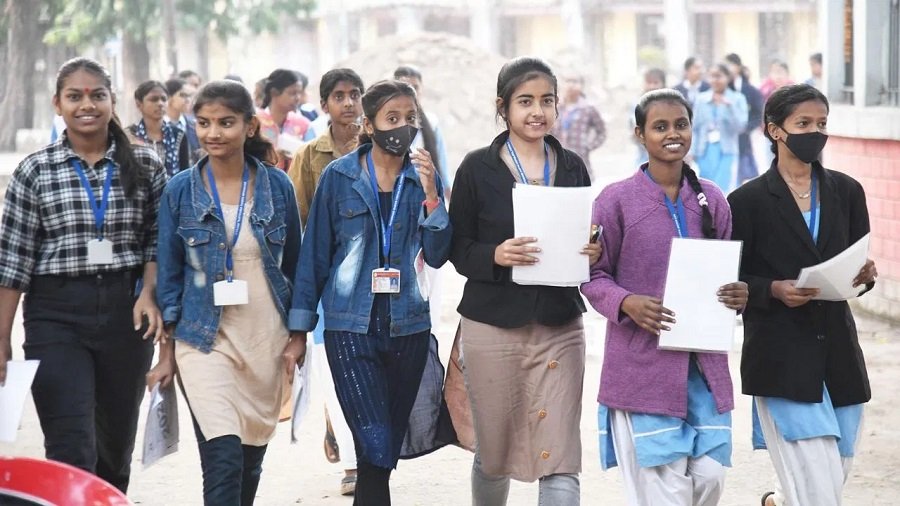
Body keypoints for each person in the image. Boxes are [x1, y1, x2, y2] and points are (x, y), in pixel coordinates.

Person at [0, 56, 166, 493]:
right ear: (58, 104)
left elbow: (157, 240)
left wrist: (149, 292)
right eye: (74, 97)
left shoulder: (146, 164)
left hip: (126, 315)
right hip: (55, 317)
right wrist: (1, 339)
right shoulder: (35, 171)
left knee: (114, 449)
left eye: (97, 95)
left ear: (113, 101)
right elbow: (12, 262)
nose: (86, 105)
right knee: (70, 445)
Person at [582, 88, 747, 506]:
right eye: (660, 126)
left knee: (710, 477)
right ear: (640, 134)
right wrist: (626, 302)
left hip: (704, 367)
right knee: (665, 489)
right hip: (642, 367)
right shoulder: (615, 200)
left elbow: (728, 270)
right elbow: (592, 276)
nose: (673, 134)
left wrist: (738, 291)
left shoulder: (712, 198)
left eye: (681, 124)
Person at [289, 79, 451, 506]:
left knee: (382, 448)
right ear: (369, 124)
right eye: (391, 118)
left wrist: (432, 197)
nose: (402, 127)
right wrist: (299, 330)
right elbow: (314, 256)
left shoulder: (422, 178)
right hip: (349, 327)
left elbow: (437, 254)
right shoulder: (339, 177)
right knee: (375, 439)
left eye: (410, 118)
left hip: (407, 327)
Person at [449, 57, 601, 505]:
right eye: (525, 101)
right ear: (503, 107)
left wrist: (593, 249)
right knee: (493, 452)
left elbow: (586, 234)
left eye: (547, 101)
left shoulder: (572, 166)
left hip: (559, 323)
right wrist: (494, 255)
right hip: (492, 324)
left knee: (560, 451)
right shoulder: (476, 168)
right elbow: (457, 248)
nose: (538, 111)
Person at [150, 79, 304, 505]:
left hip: (265, 341)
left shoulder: (278, 186)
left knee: (249, 462)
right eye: (203, 123)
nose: (213, 133)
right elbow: (170, 276)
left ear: (249, 126)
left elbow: (296, 267)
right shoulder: (180, 190)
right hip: (203, 340)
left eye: (225, 122)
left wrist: (298, 336)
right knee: (223, 459)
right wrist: (165, 353)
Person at [728, 84, 877, 506]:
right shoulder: (747, 201)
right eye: (804, 123)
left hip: (839, 351)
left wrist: (865, 276)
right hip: (781, 353)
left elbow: (857, 262)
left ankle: (779, 502)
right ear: (775, 130)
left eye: (822, 123)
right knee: (816, 484)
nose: (816, 132)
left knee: (835, 467)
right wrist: (772, 289)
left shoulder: (847, 191)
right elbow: (730, 277)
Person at [286, 67, 365, 496]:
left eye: (355, 94)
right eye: (339, 96)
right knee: (335, 370)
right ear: (324, 105)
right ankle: (352, 462)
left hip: (372, 279)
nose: (348, 103)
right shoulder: (310, 156)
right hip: (328, 281)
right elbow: (298, 219)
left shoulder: (380, 148)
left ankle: (345, 430)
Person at [690, 63, 748, 193]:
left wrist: (730, 107)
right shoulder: (701, 99)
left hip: (727, 150)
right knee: (706, 188)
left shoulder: (737, 98)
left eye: (719, 76)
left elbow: (741, 126)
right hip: (704, 150)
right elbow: (694, 127)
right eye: (712, 76)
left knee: (722, 189)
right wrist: (691, 151)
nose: (715, 80)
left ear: (728, 78)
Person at [126, 80, 191, 177]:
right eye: (154, 99)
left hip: (171, 186)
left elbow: (184, 173)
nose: (160, 103)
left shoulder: (178, 135)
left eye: (164, 99)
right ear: (139, 104)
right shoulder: (129, 134)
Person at [551, 73, 607, 180]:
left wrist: (588, 146)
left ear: (582, 86)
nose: (571, 85)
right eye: (567, 81)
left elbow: (602, 132)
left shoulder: (588, 109)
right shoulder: (555, 107)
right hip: (558, 162)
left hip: (580, 161)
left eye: (575, 82)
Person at [256, 69, 312, 171]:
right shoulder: (256, 122)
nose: (297, 98)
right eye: (292, 93)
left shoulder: (304, 125)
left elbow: (313, 158)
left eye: (299, 93)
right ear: (274, 92)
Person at [725, 53, 764, 184]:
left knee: (742, 175)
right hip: (724, 139)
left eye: (730, 65)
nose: (728, 69)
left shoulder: (751, 90)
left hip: (744, 139)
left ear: (738, 67)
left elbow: (758, 113)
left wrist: (747, 127)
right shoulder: (721, 90)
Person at [633, 68, 666, 167]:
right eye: (649, 82)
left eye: (655, 83)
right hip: (643, 157)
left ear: (663, 84)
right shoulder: (637, 105)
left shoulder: (672, 105)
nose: (652, 86)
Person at [165, 78, 201, 163]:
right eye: (183, 95)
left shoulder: (194, 126)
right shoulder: (159, 126)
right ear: (169, 97)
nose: (188, 100)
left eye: (189, 96)